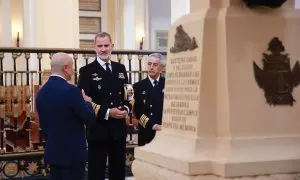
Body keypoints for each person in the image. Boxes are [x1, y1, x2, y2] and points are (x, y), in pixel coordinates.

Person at [77, 32, 130, 180]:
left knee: (119, 169)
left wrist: (126, 109)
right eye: (100, 46)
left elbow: (129, 94)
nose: (103, 49)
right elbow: (83, 101)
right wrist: (107, 112)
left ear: (112, 46)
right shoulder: (86, 71)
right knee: (96, 170)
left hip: (119, 128)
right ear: (94, 48)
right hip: (98, 128)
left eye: (106, 45)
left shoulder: (120, 68)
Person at [36, 52, 96, 180]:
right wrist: (88, 103)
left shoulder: (41, 92)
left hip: (53, 153)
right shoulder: (71, 91)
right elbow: (90, 119)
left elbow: (42, 124)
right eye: (72, 66)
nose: (73, 70)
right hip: (72, 156)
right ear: (65, 68)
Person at [133, 53, 165, 146]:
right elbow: (138, 113)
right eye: (149, 64)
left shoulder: (168, 84)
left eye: (155, 65)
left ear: (161, 68)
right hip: (146, 132)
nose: (151, 67)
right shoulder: (138, 86)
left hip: (164, 131)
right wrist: (154, 126)